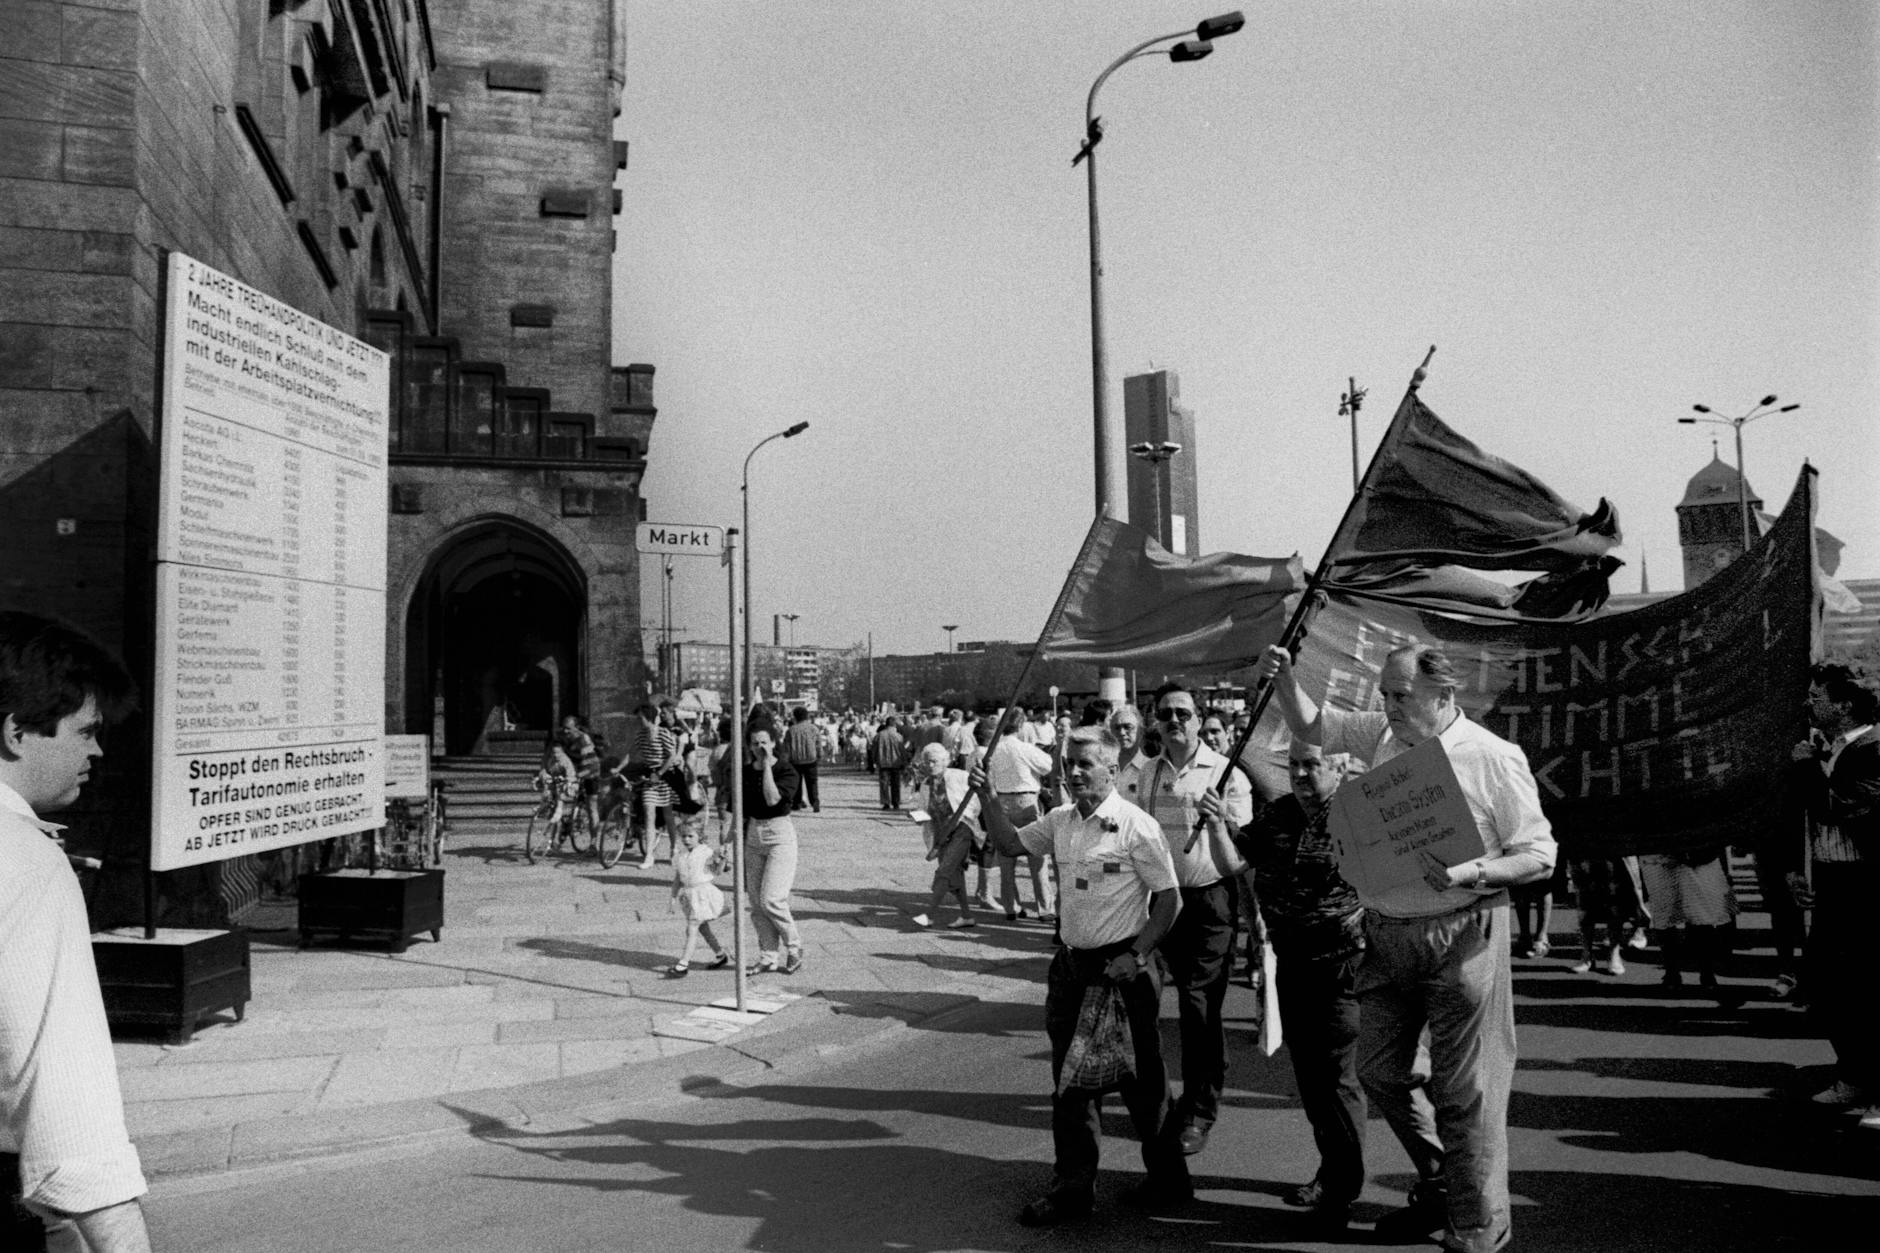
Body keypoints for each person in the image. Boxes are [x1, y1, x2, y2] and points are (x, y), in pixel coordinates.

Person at [1258, 641, 1556, 1253]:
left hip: (1463, 932)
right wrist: (1286, 680)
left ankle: (1478, 1226)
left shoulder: (1491, 757)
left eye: (1401, 695)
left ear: (1443, 696)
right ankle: (1449, 1180)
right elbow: (1313, 724)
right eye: (1386, 694)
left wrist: (1469, 873)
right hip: (1388, 936)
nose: (1388, 705)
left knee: (1465, 1091)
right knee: (1378, 1071)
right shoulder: (1381, 736)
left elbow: (1539, 855)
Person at [974, 727, 1192, 1227]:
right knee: (1071, 1082)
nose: (1072, 773)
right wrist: (987, 796)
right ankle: (1073, 1188)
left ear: (1112, 771)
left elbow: (1168, 899)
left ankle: (1168, 1177)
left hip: (1123, 970)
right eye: (1068, 763)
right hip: (1073, 968)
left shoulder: (1137, 826)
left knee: (1142, 1082)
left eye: (1084, 765)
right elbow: (1008, 844)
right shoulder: (1059, 821)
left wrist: (1136, 956)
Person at [0, 612, 151, 1252]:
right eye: (85, 731)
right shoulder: (25, 863)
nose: (96, 751)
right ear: (15, 733)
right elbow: (65, 1103)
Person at [1233, 739, 1368, 1234]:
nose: (1300, 774)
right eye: (1293, 765)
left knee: (1336, 1078)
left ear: (1337, 766)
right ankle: (1332, 1171)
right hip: (1291, 964)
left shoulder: (1360, 813)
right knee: (1311, 1078)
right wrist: (1212, 823)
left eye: (1312, 765)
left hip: (1342, 967)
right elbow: (1234, 860)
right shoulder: (1278, 814)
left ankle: (1342, 1188)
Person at [1121, 682, 1252, 1157]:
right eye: (1165, 714)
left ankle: (1198, 1111)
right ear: (1154, 721)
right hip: (1157, 902)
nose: (1174, 721)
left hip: (1207, 902)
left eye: (1183, 713)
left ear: (1199, 720)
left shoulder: (1226, 774)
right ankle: (1155, 1100)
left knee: (1198, 1010)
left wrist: (1218, 824)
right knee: (1141, 1002)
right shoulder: (1141, 775)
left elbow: (1239, 857)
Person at [1790, 663, 1878, 1120]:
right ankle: (1855, 1076)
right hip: (1833, 881)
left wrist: (1807, 766)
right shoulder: (1830, 748)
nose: (1810, 703)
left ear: (1845, 705)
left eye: (1817, 696)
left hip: (1867, 889)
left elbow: (1836, 808)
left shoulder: (1875, 748)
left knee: (1869, 990)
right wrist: (1798, 870)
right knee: (1830, 986)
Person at [742, 725, 804, 975]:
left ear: (773, 742)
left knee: (772, 899)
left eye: (764, 742)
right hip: (754, 834)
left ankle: (794, 946)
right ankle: (768, 955)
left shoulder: (786, 770)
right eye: (755, 744)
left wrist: (767, 766)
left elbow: (772, 799)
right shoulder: (746, 771)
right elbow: (739, 807)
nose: (760, 748)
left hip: (779, 835)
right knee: (756, 903)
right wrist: (726, 842)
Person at [984, 710, 1057, 922]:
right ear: (1021, 725)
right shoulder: (1024, 748)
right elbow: (1047, 766)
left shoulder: (993, 749)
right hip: (1026, 800)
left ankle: (1011, 906)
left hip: (1001, 800)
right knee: (1037, 855)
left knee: (1006, 855)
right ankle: (1044, 907)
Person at [910, 743, 981, 930]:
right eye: (926, 762)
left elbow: (975, 799)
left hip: (961, 830)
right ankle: (966, 915)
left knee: (944, 872)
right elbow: (925, 809)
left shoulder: (959, 776)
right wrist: (918, 817)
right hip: (940, 835)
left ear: (944, 761)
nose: (929, 765)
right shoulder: (926, 784)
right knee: (955, 876)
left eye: (933, 761)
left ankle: (929, 915)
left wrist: (966, 816)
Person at [664, 820, 730, 977]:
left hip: (703, 894)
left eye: (690, 836)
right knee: (702, 927)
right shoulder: (680, 855)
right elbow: (678, 878)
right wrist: (672, 897)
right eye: (683, 836)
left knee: (692, 927)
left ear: (699, 836)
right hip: (689, 895)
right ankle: (720, 954)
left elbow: (717, 870)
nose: (686, 839)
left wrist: (722, 860)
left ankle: (683, 964)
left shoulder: (706, 852)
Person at [1565, 857, 1649, 975]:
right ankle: (1586, 955)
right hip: (1583, 847)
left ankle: (1614, 953)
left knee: (1614, 899)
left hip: (1613, 847)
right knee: (1584, 899)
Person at [552, 713, 603, 849]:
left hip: (591, 772)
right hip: (574, 770)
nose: (565, 731)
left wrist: (577, 776)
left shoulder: (584, 739)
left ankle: (594, 843)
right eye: (564, 727)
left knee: (592, 807)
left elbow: (592, 766)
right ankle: (562, 834)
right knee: (566, 801)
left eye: (569, 728)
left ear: (577, 728)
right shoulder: (561, 737)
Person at [783, 706, 823, 813]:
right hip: (811, 760)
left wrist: (785, 761)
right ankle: (815, 802)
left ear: (795, 717)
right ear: (806, 716)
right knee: (812, 782)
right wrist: (819, 755)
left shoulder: (790, 731)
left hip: (795, 761)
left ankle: (797, 803)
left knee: (797, 783)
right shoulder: (814, 728)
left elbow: (786, 748)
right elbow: (818, 744)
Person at [870, 716, 909, 810]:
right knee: (896, 783)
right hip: (896, 763)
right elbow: (902, 751)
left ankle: (886, 803)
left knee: (884, 783)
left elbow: (873, 750)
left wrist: (874, 761)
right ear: (894, 725)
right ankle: (896, 803)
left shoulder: (879, 735)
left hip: (883, 763)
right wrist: (905, 762)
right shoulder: (898, 736)